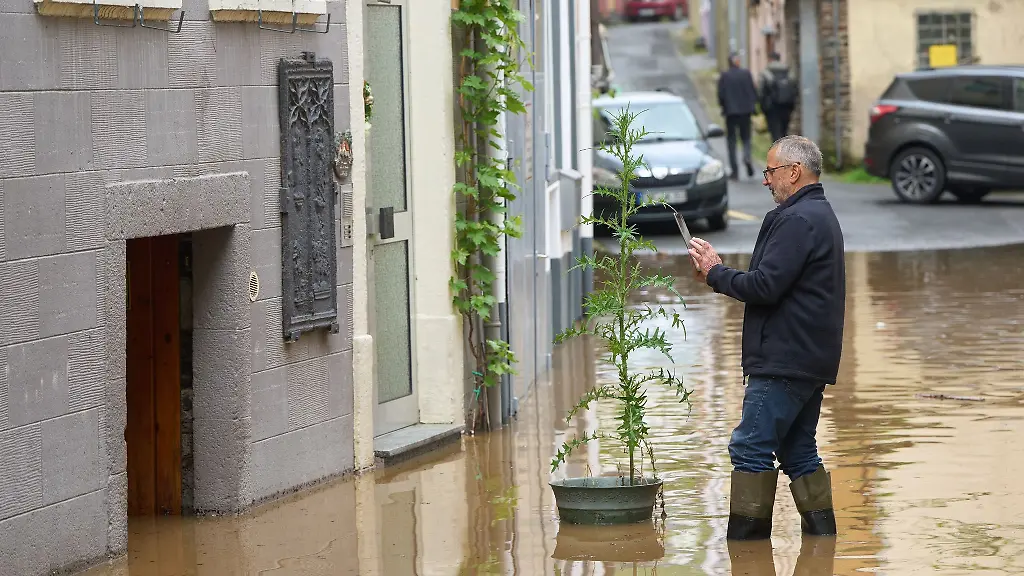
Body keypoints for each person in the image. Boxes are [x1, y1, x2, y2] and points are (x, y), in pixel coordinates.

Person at [688, 135, 845, 541]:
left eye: (770, 171)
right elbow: (774, 281)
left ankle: (746, 555)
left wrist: (715, 272)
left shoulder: (797, 219)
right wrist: (720, 271)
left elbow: (765, 286)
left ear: (794, 172)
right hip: (808, 360)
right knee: (798, 452)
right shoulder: (818, 214)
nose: (765, 181)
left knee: (750, 448)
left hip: (783, 360)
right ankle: (823, 549)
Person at [717, 52, 759, 180]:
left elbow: (721, 95)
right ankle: (747, 156)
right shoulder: (746, 74)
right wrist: (752, 105)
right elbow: (753, 91)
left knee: (732, 142)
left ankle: (734, 171)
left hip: (731, 113)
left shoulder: (725, 76)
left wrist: (724, 106)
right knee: (746, 138)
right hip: (745, 112)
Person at [759, 52, 798, 142]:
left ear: (770, 59)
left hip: (772, 107)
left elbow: (761, 92)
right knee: (784, 131)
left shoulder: (766, 73)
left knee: (775, 132)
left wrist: (763, 107)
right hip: (787, 106)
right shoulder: (788, 72)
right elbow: (795, 88)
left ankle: (777, 152)